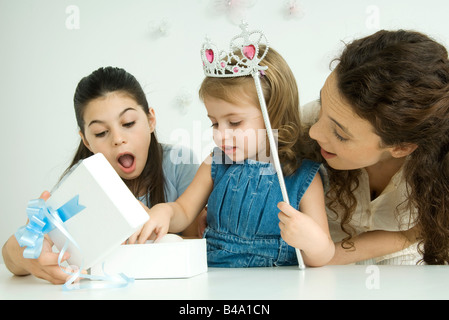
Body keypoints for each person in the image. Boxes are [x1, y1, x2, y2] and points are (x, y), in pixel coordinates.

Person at [136, 34, 335, 267]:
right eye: (214, 123)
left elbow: (322, 256)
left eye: (234, 123)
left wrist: (313, 241)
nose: (220, 134)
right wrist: (166, 212)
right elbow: (183, 210)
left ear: (274, 115)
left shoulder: (303, 177)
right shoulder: (216, 161)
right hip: (215, 279)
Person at [2, 66, 199, 283]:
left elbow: (197, 240)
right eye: (101, 133)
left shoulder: (179, 164)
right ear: (86, 140)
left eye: (129, 123)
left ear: (151, 120)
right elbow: (11, 255)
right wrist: (28, 256)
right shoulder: (81, 183)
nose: (117, 138)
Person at [306, 29, 449, 265]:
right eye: (322, 103)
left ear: (402, 147)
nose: (314, 132)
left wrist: (408, 237)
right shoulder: (304, 124)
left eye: (340, 135)